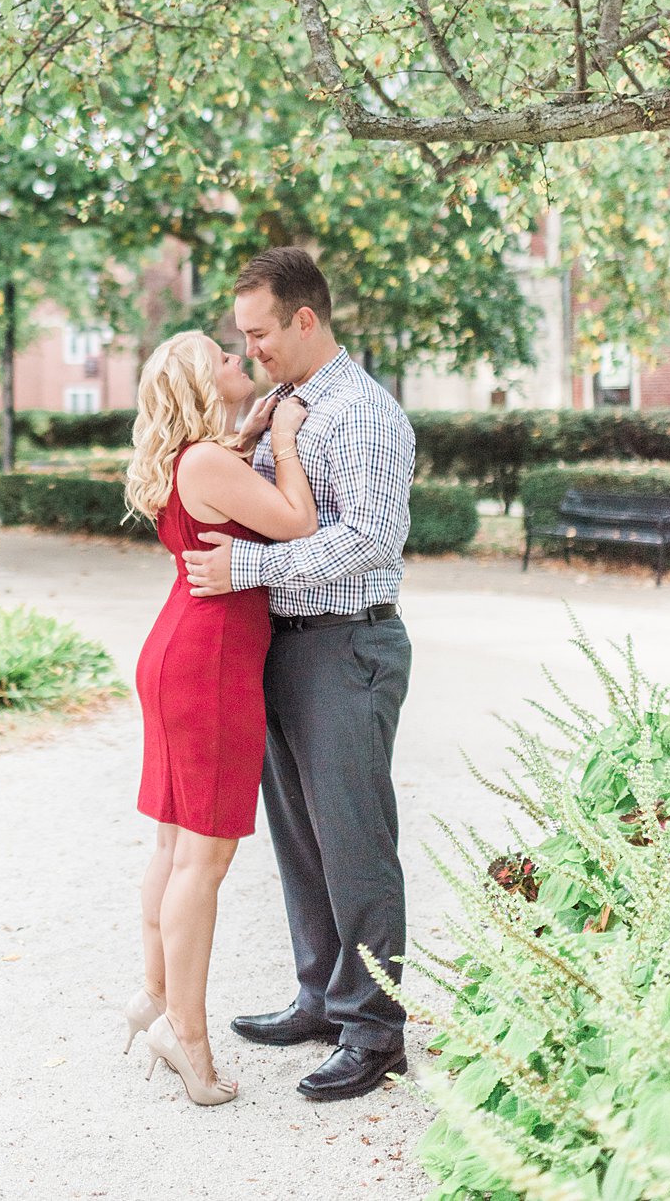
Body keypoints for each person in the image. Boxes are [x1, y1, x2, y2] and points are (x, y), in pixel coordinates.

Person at [183, 248, 415, 1105]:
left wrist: (247, 570)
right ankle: (322, 997)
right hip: (283, 645)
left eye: (260, 333)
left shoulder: (365, 413)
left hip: (347, 644)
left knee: (355, 842)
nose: (251, 351)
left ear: (305, 319)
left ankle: (374, 1030)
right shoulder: (285, 404)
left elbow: (370, 541)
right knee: (300, 837)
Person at [122, 330, 317, 1107]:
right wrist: (287, 437)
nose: (241, 358)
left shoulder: (196, 456)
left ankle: (153, 995)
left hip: (180, 651)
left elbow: (224, 491)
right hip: (208, 665)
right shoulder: (208, 461)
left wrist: (250, 433)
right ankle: (186, 1035)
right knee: (204, 860)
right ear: (206, 380)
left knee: (175, 844)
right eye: (225, 356)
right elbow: (297, 522)